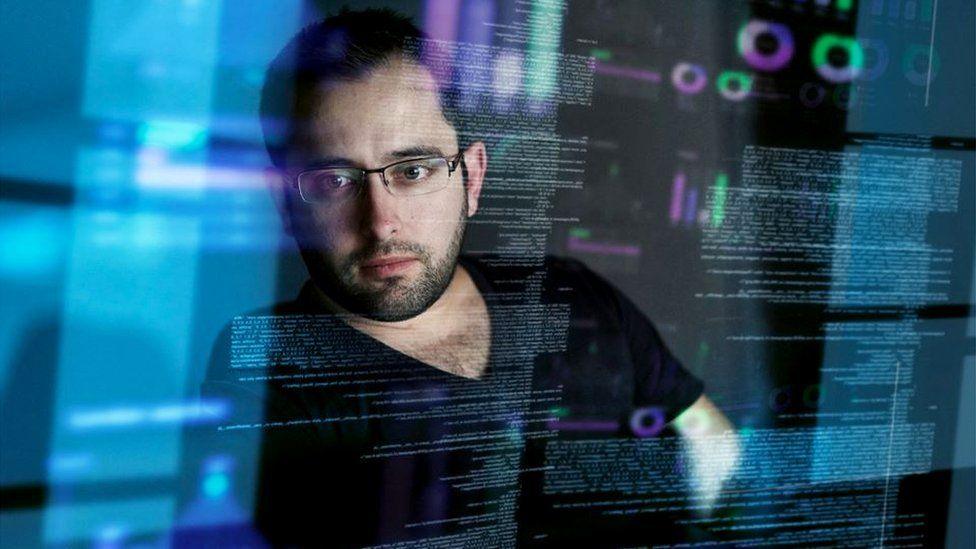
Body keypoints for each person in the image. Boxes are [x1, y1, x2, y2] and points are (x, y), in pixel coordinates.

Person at [177, 8, 739, 547]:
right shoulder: (268, 366)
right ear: (286, 203)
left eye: (413, 171)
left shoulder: (568, 292)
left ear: (471, 178)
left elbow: (708, 436)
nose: (381, 223)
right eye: (334, 182)